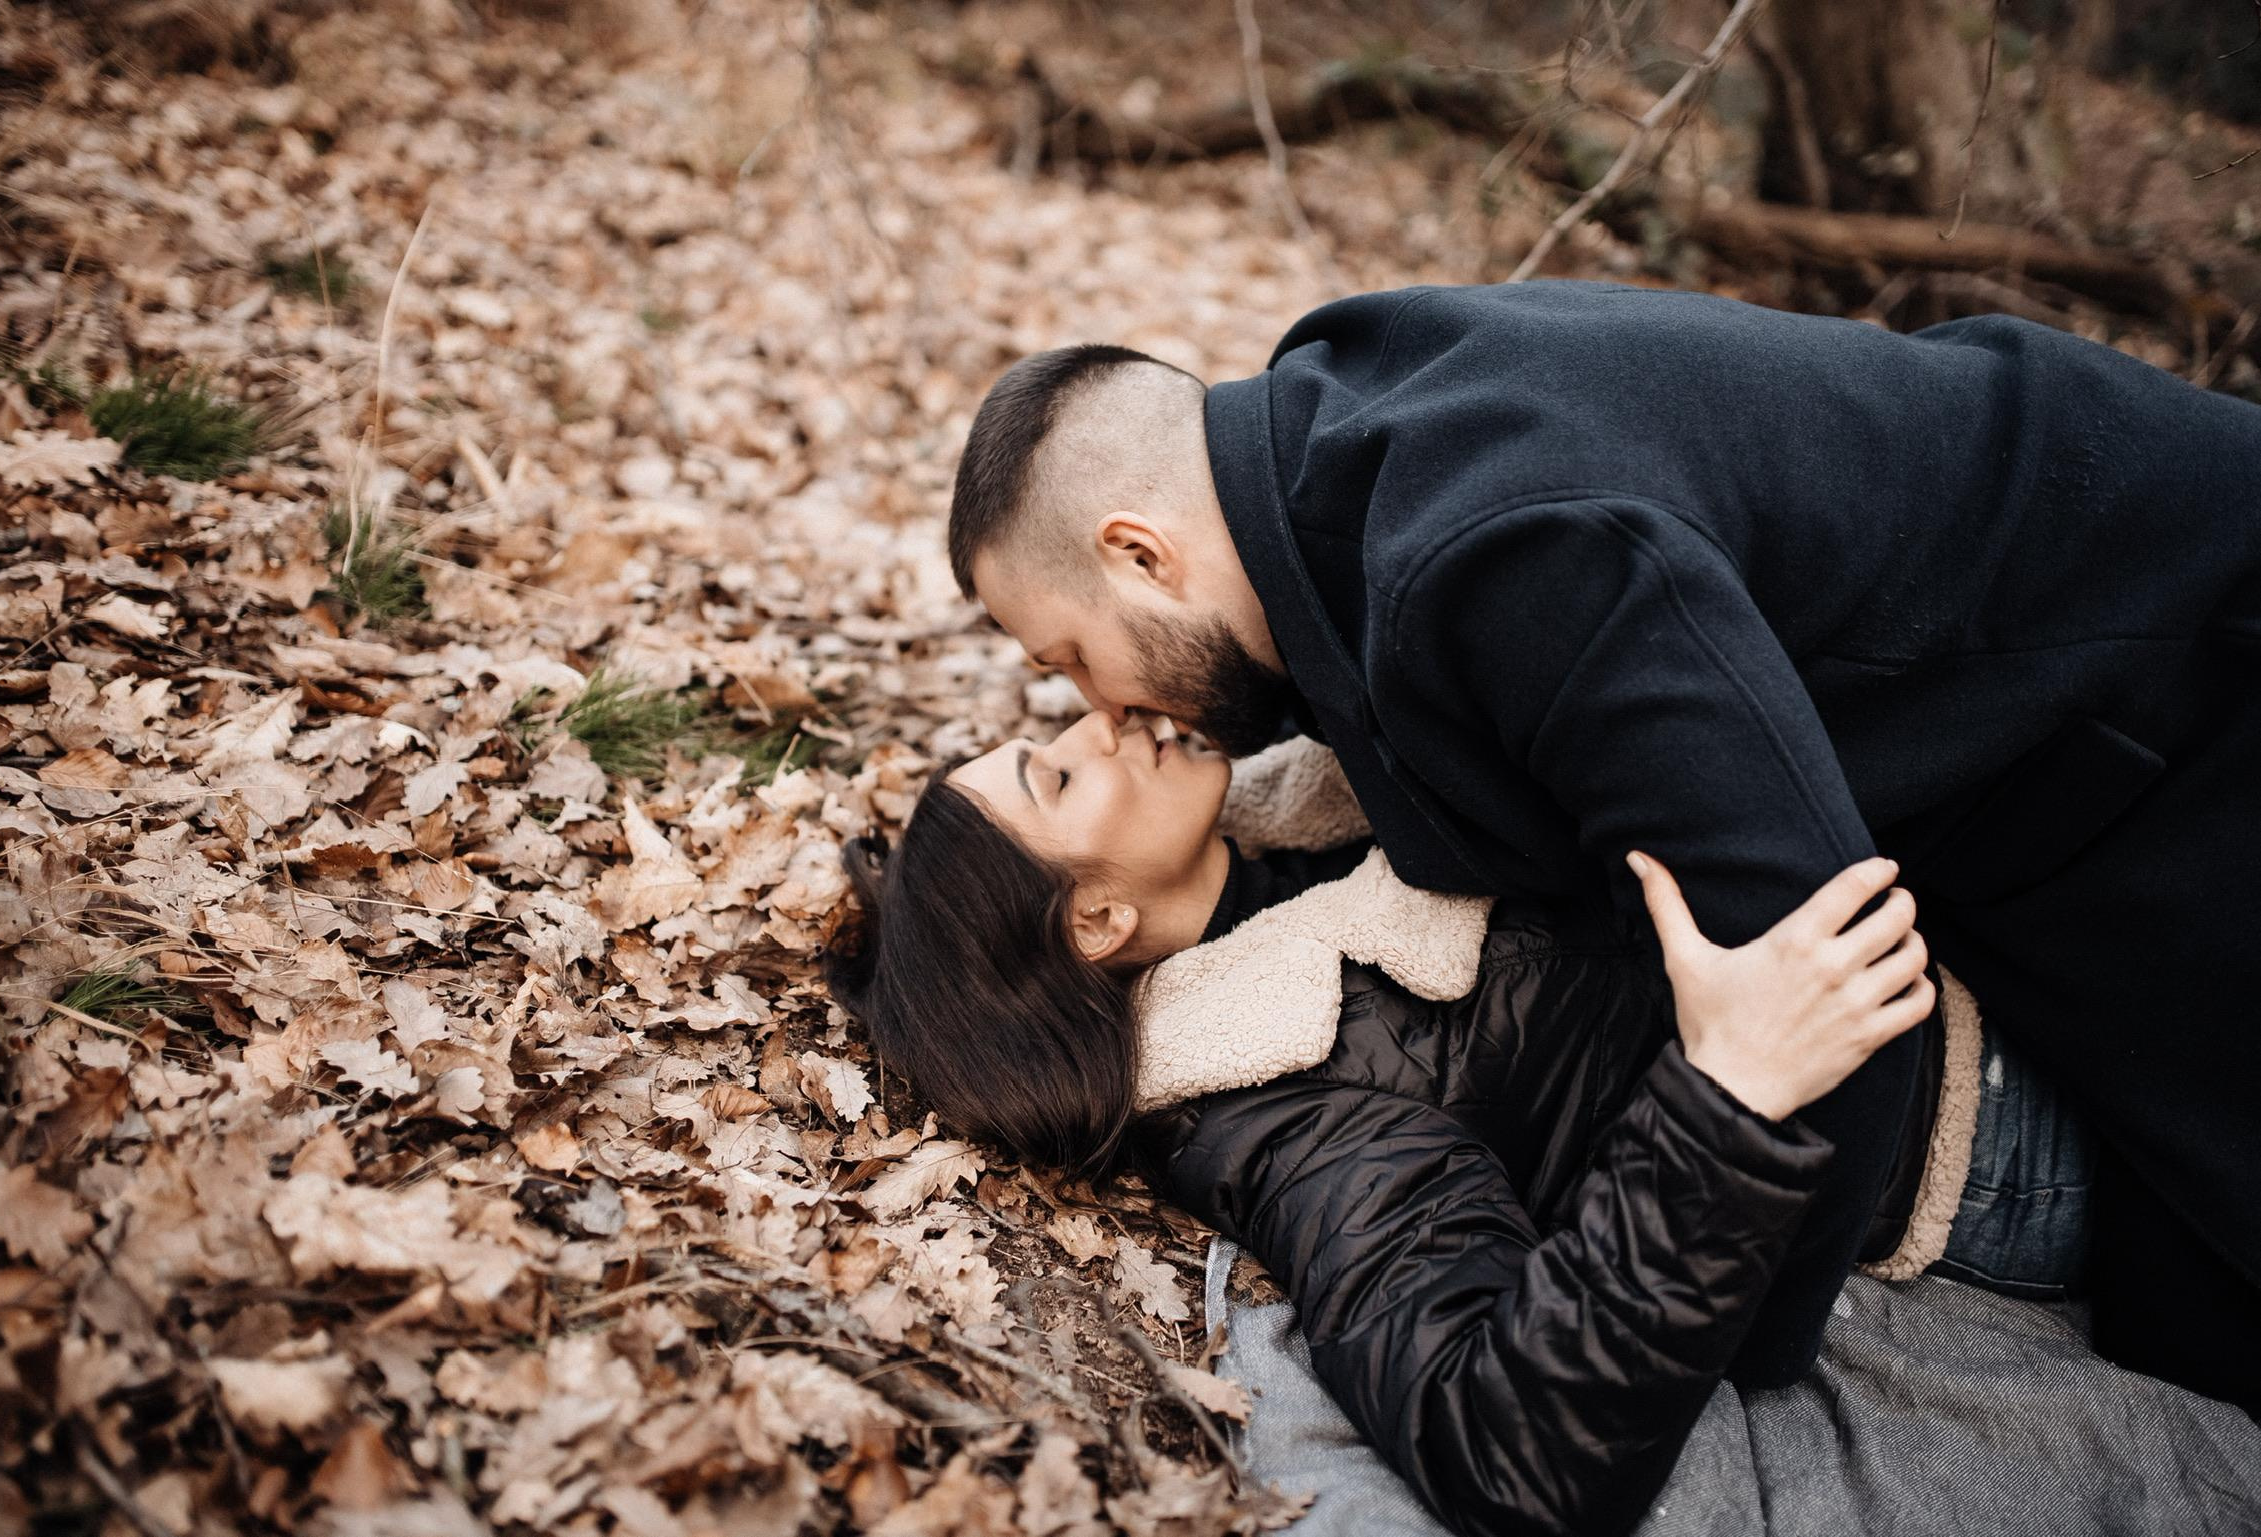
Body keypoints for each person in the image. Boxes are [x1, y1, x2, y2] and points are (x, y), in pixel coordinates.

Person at [943, 284, 2261, 1406]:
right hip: (2041, 739)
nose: (1100, 708)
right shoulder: (1325, 426)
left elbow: (1818, 961)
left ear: (1141, 553)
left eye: (1071, 656)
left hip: (2181, 674)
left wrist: (1744, 1362)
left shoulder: (1502, 557)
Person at [826, 715, 2091, 1537]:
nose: (1098, 724)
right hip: (1978, 1146)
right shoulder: (1279, 1096)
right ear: (1094, 922)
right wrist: (1730, 1091)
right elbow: (1508, 1448)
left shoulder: (1331, 778)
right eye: (1059, 773)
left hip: (2005, 942)